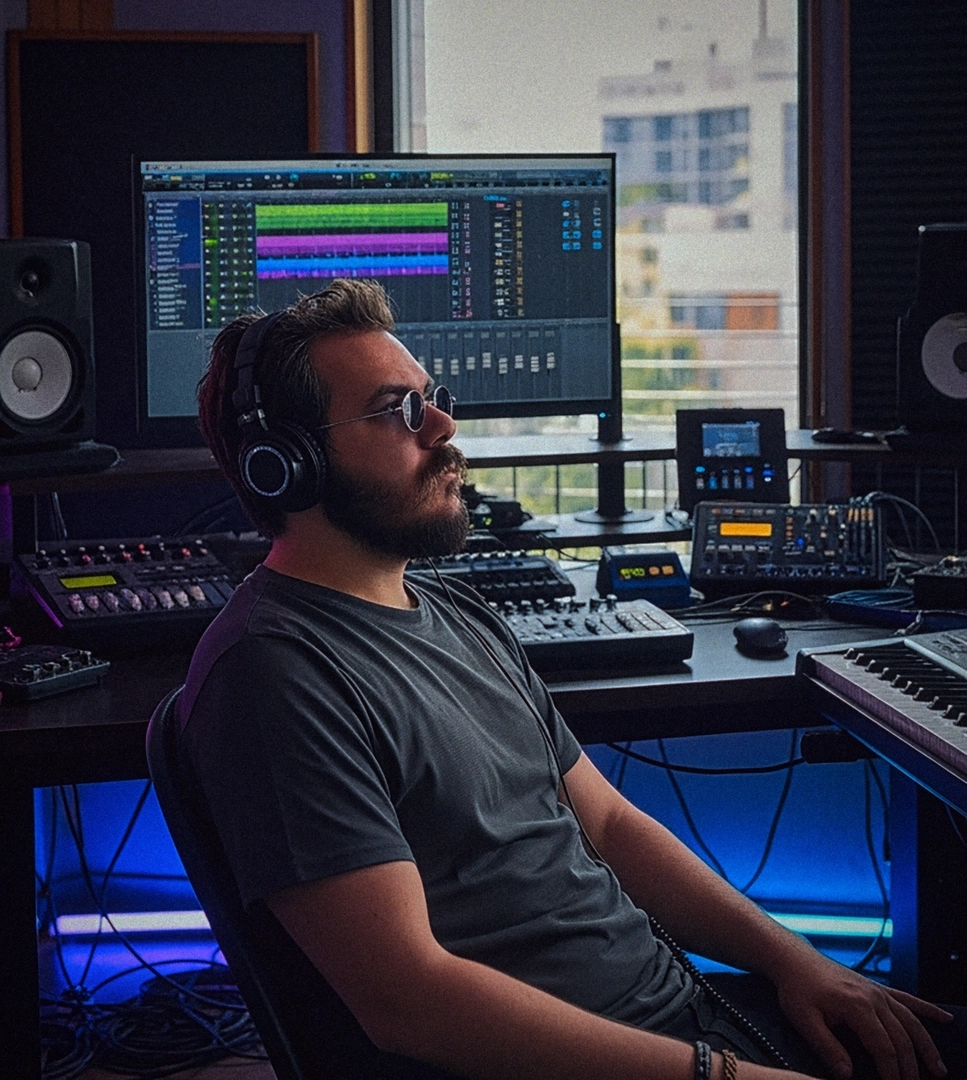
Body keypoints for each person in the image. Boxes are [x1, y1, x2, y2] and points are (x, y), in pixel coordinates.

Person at [181, 278, 960, 1080]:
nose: (447, 427)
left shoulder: (454, 609)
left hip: (688, 1019)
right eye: (399, 410)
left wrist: (796, 961)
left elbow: (611, 827)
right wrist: (719, 1075)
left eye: (433, 398)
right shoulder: (275, 674)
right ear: (289, 466)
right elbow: (406, 999)